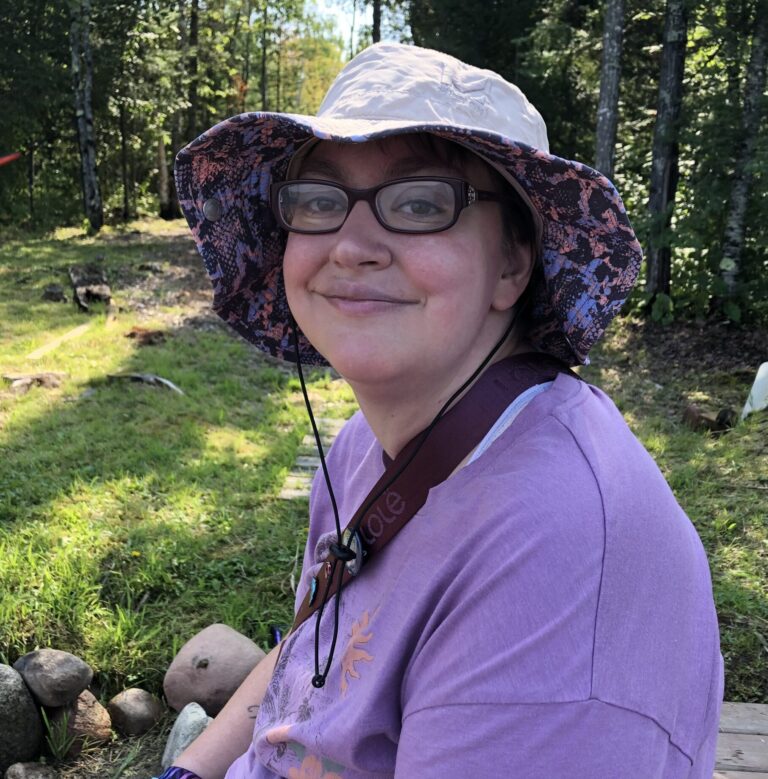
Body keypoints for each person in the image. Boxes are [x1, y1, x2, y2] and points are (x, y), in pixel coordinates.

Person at [161, 42, 723, 779]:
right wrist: (189, 771)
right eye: (319, 201)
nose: (351, 246)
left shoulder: (556, 562)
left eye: (420, 202)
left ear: (513, 263)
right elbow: (310, 653)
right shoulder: (370, 444)